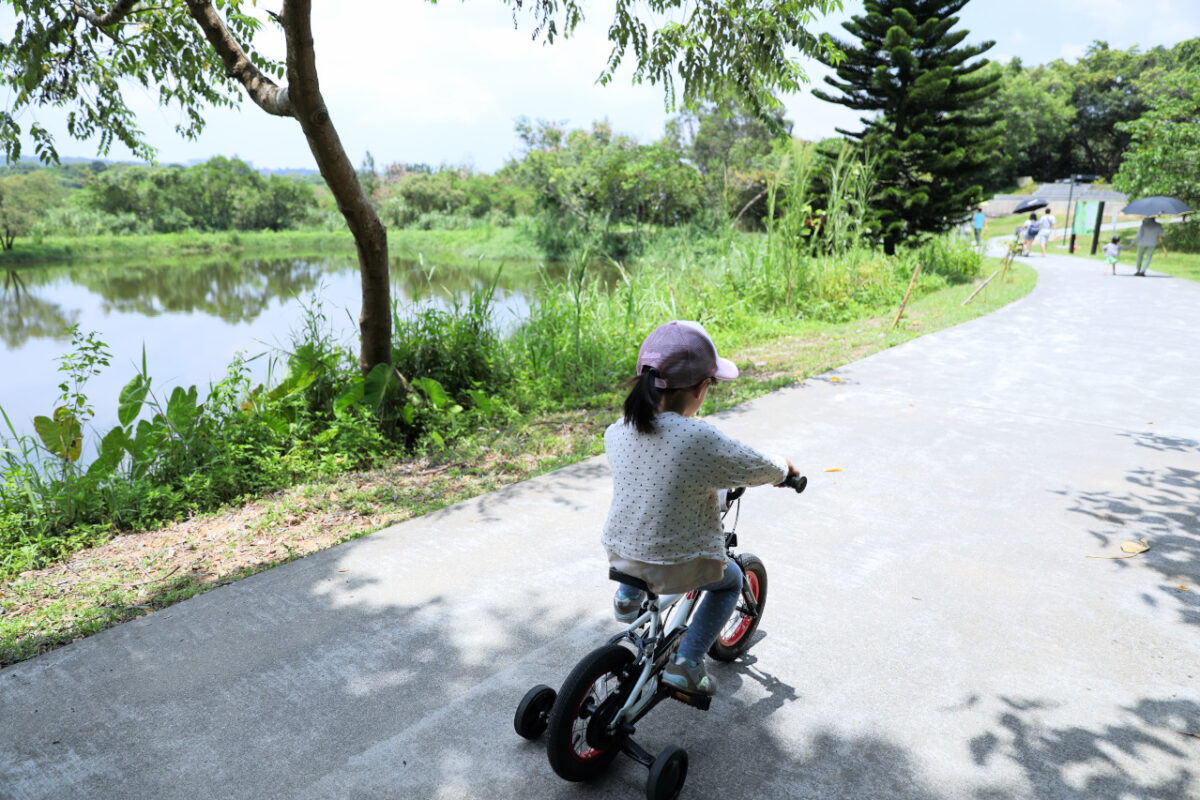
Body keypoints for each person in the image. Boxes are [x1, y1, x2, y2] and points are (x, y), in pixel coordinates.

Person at [603, 320, 798, 697]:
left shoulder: (617, 431)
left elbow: (662, 484)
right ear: (701, 387)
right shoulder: (698, 438)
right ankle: (687, 663)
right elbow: (752, 464)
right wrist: (784, 469)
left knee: (640, 528)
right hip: (675, 562)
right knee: (731, 584)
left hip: (619, 554)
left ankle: (627, 600)